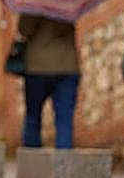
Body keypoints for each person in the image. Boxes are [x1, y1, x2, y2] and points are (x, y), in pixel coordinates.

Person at [16, 14, 80, 149]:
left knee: (33, 116)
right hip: (67, 66)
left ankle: (32, 159)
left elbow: (24, 29)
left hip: (38, 67)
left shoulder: (33, 4)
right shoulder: (68, 5)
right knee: (64, 119)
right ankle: (63, 160)